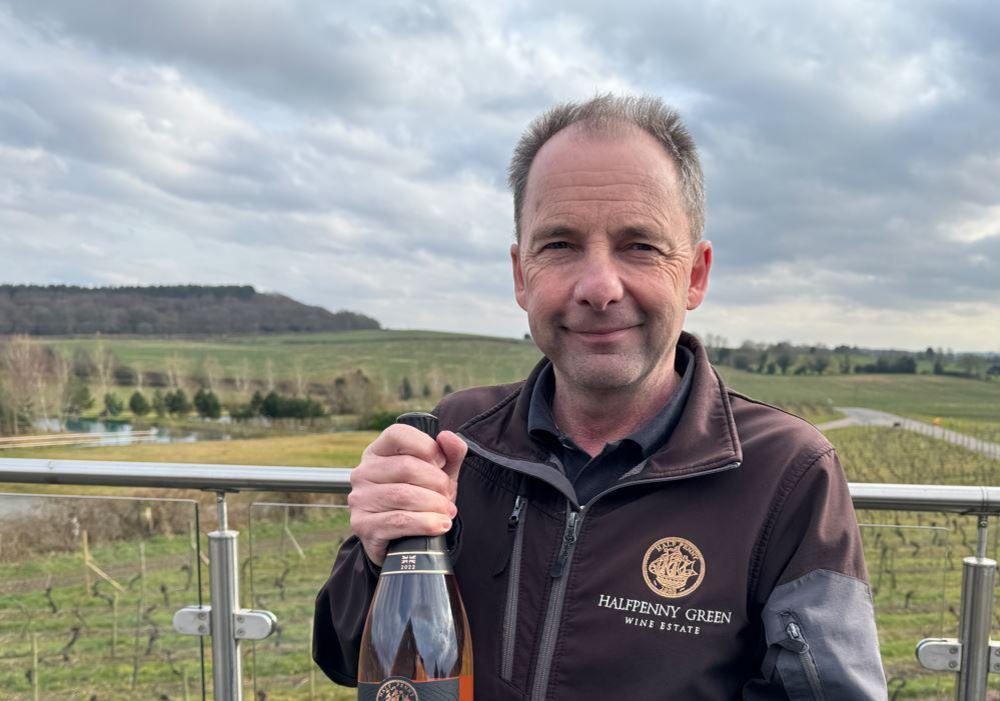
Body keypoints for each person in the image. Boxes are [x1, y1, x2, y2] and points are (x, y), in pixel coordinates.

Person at [313, 94, 887, 700]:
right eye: (559, 245)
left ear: (695, 274)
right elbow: (345, 653)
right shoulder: (457, 438)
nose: (598, 287)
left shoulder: (787, 472)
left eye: (640, 245)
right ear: (520, 275)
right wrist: (375, 554)